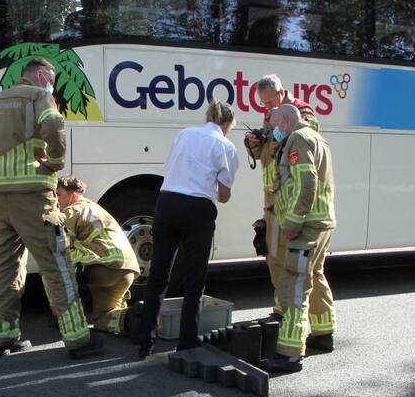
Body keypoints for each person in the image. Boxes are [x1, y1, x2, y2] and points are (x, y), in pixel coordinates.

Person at [0, 57, 103, 359]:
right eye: (51, 79)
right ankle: (78, 340)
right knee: (57, 266)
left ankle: (4, 338)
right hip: (35, 199)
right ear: (40, 75)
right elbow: (53, 123)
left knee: (5, 269)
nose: (53, 86)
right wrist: (55, 161)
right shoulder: (40, 96)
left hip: (2, 201)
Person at [135, 100, 240, 358]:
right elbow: (224, 196)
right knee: (195, 278)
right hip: (197, 210)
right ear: (228, 124)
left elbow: (171, 168)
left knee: (158, 275)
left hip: (167, 202)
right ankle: (187, 343)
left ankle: (144, 341)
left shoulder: (184, 134)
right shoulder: (226, 146)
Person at [262, 104, 337, 374]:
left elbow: (306, 182)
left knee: (294, 284)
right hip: (322, 222)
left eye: (274, 126)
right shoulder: (318, 138)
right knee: (315, 275)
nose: (273, 132)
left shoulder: (298, 138)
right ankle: (323, 332)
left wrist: (292, 221)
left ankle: (290, 354)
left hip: (305, 226)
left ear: (285, 121)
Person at [244, 75, 318, 320]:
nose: (267, 108)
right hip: (273, 201)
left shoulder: (301, 112)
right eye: (263, 104)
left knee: (300, 267)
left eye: (269, 102)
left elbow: (304, 141)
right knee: (273, 257)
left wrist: (274, 136)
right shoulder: (271, 115)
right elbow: (267, 151)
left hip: (290, 200)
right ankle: (281, 308)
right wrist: (253, 142)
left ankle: (311, 322)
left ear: (282, 92)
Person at [56, 175, 141, 335]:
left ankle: (68, 314)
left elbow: (56, 244)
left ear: (73, 195)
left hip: (104, 269)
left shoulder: (72, 211)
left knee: (60, 260)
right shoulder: (96, 208)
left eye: (58, 194)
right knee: (103, 316)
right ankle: (131, 317)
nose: (55, 200)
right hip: (128, 270)